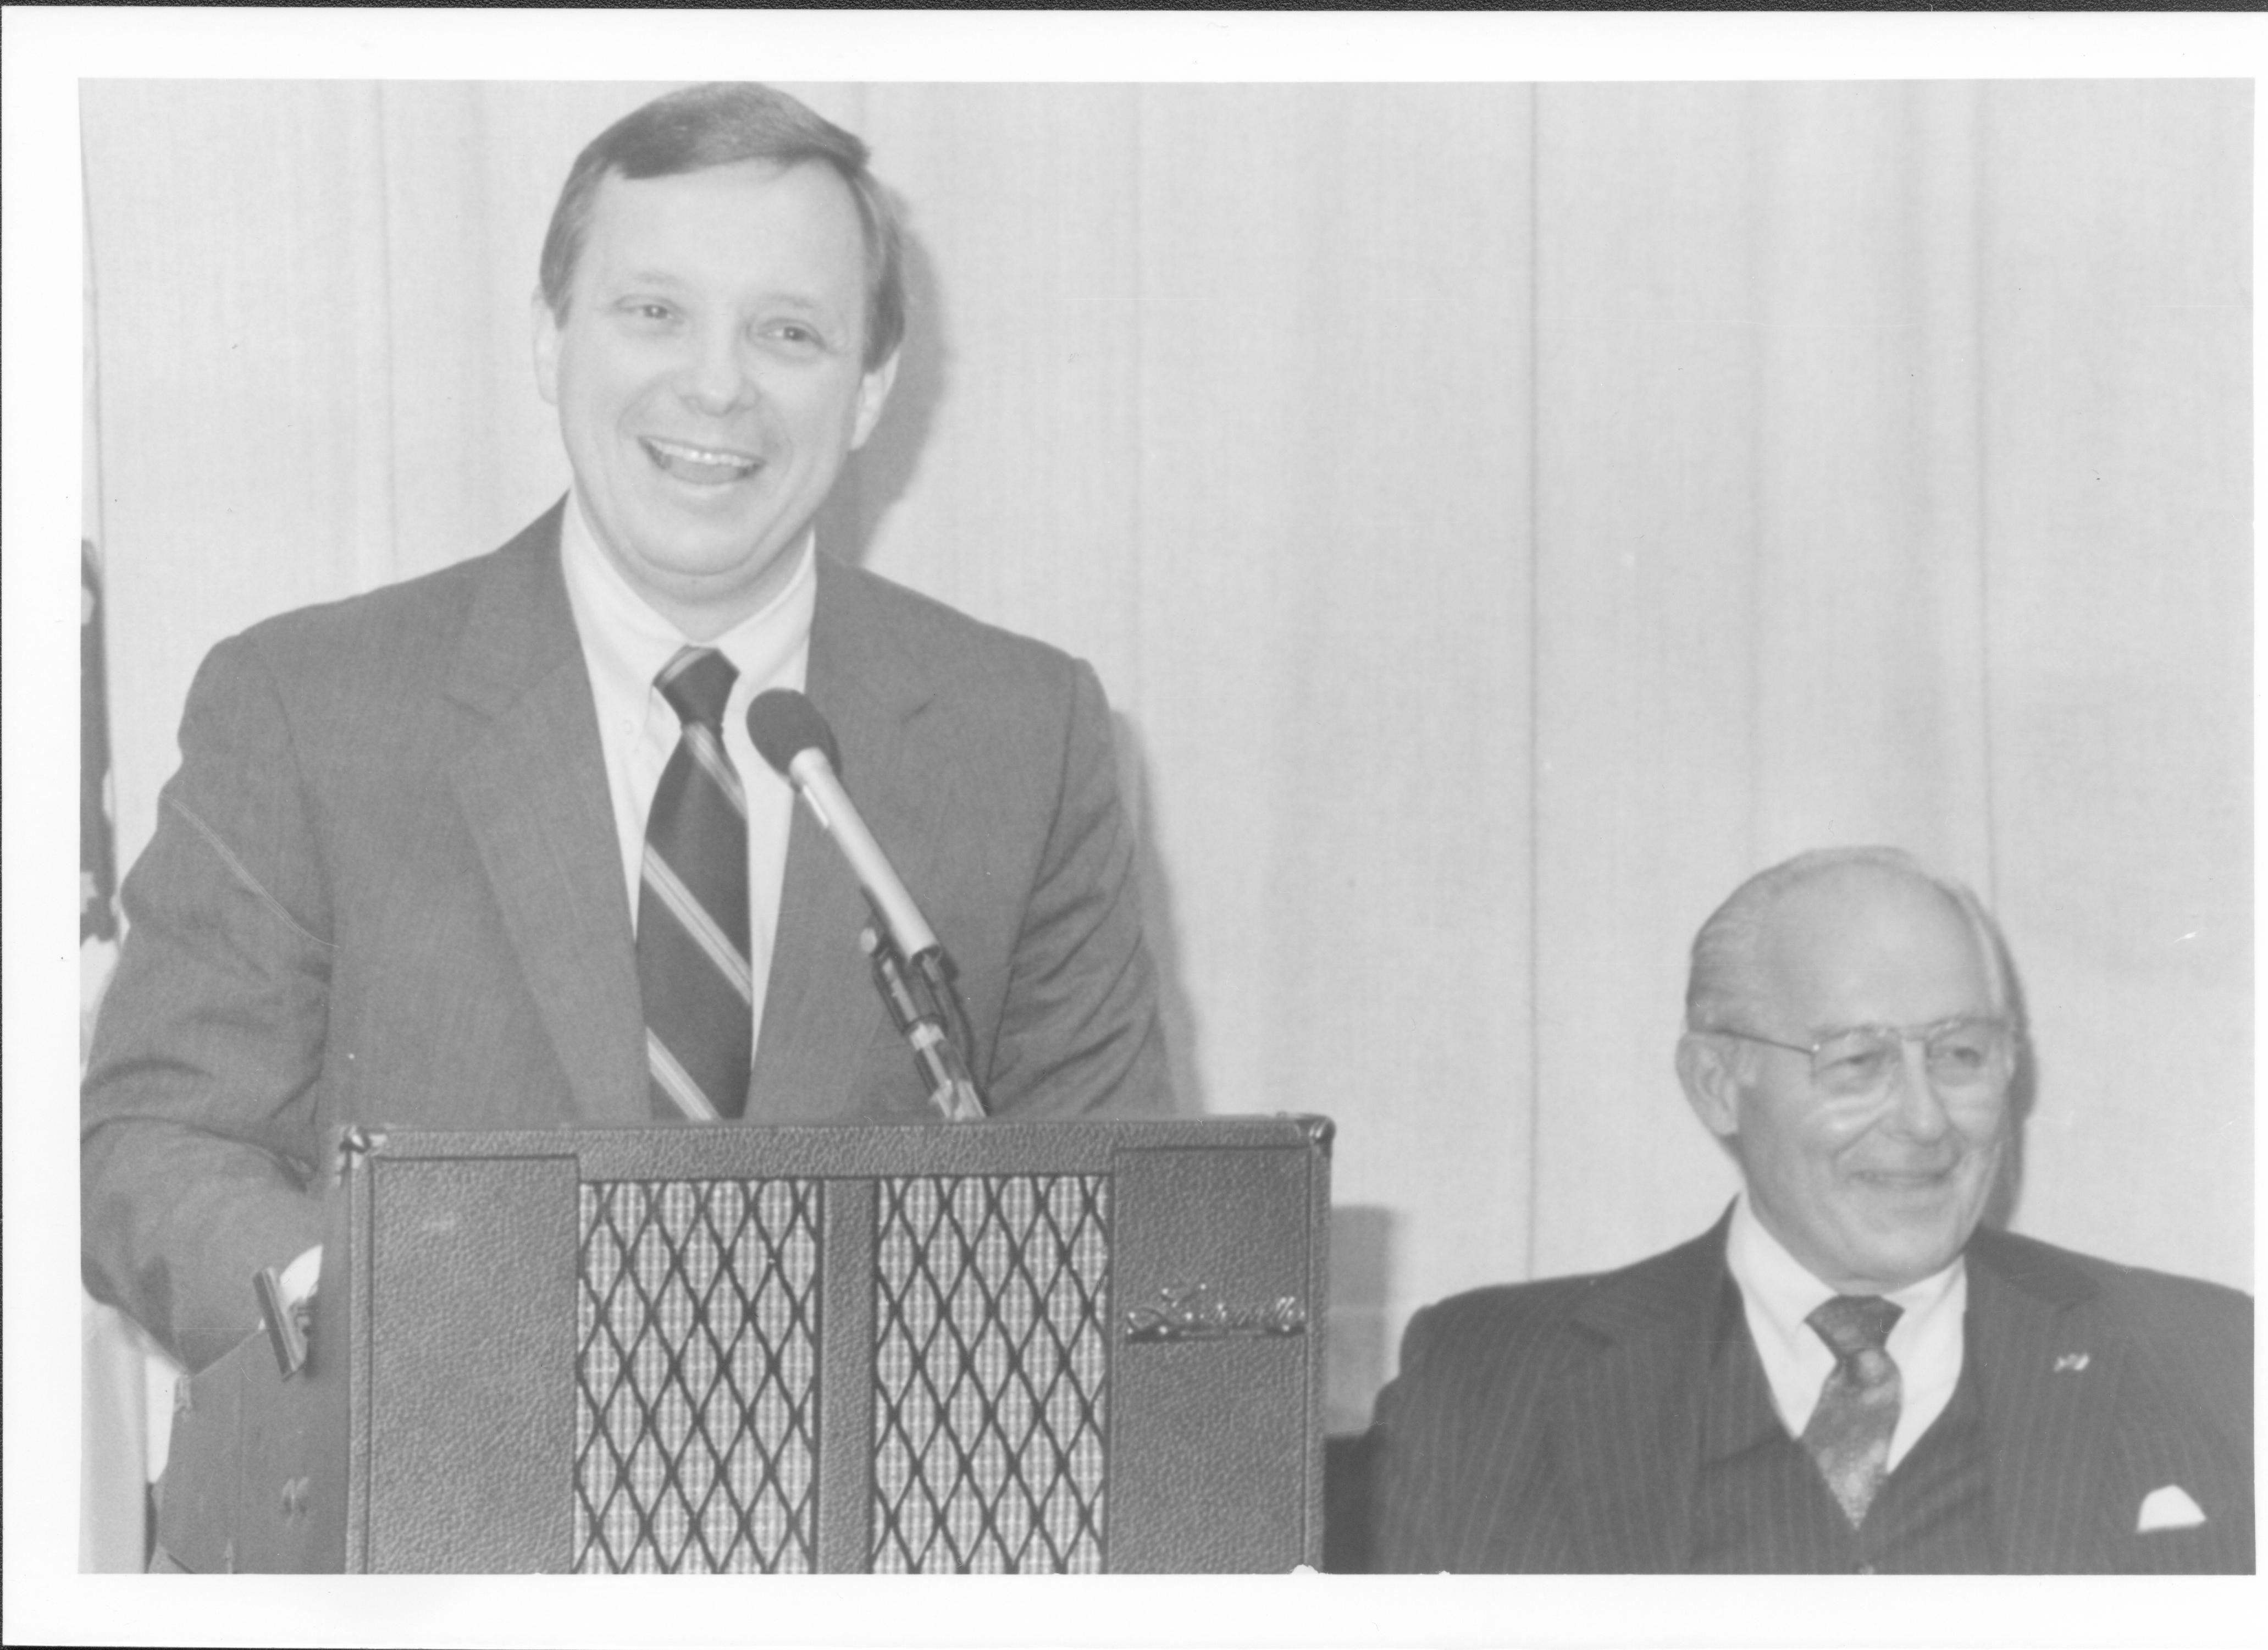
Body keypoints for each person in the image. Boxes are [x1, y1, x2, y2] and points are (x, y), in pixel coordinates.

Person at [81, 83, 1172, 1376]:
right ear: (550, 342)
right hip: (440, 1536)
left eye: (788, 334)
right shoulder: (309, 705)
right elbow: (157, 1145)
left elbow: (1122, 1209)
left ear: (871, 388)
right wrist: (374, 1337)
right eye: (654, 312)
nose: (715, 387)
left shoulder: (1025, 736)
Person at [1369, 846, 2251, 1574]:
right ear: (1717, 1084)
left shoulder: (2210, 1354)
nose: (1923, 1118)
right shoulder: (1484, 1383)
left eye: (1960, 1053)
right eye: (1857, 1062)